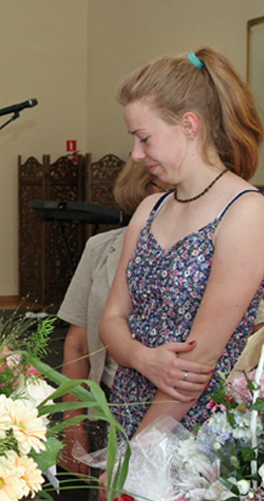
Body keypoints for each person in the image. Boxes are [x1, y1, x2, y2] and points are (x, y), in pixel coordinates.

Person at [99, 47, 264, 441]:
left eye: (144, 138)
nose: (137, 155)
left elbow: (197, 364)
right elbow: (111, 320)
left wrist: (135, 457)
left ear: (190, 124)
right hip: (127, 405)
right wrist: (144, 358)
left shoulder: (246, 212)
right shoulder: (150, 208)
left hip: (189, 428)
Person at [58, 160, 168, 475]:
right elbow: (77, 344)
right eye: (159, 191)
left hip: (176, 409)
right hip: (109, 408)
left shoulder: (209, 251)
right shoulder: (101, 247)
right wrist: (73, 423)